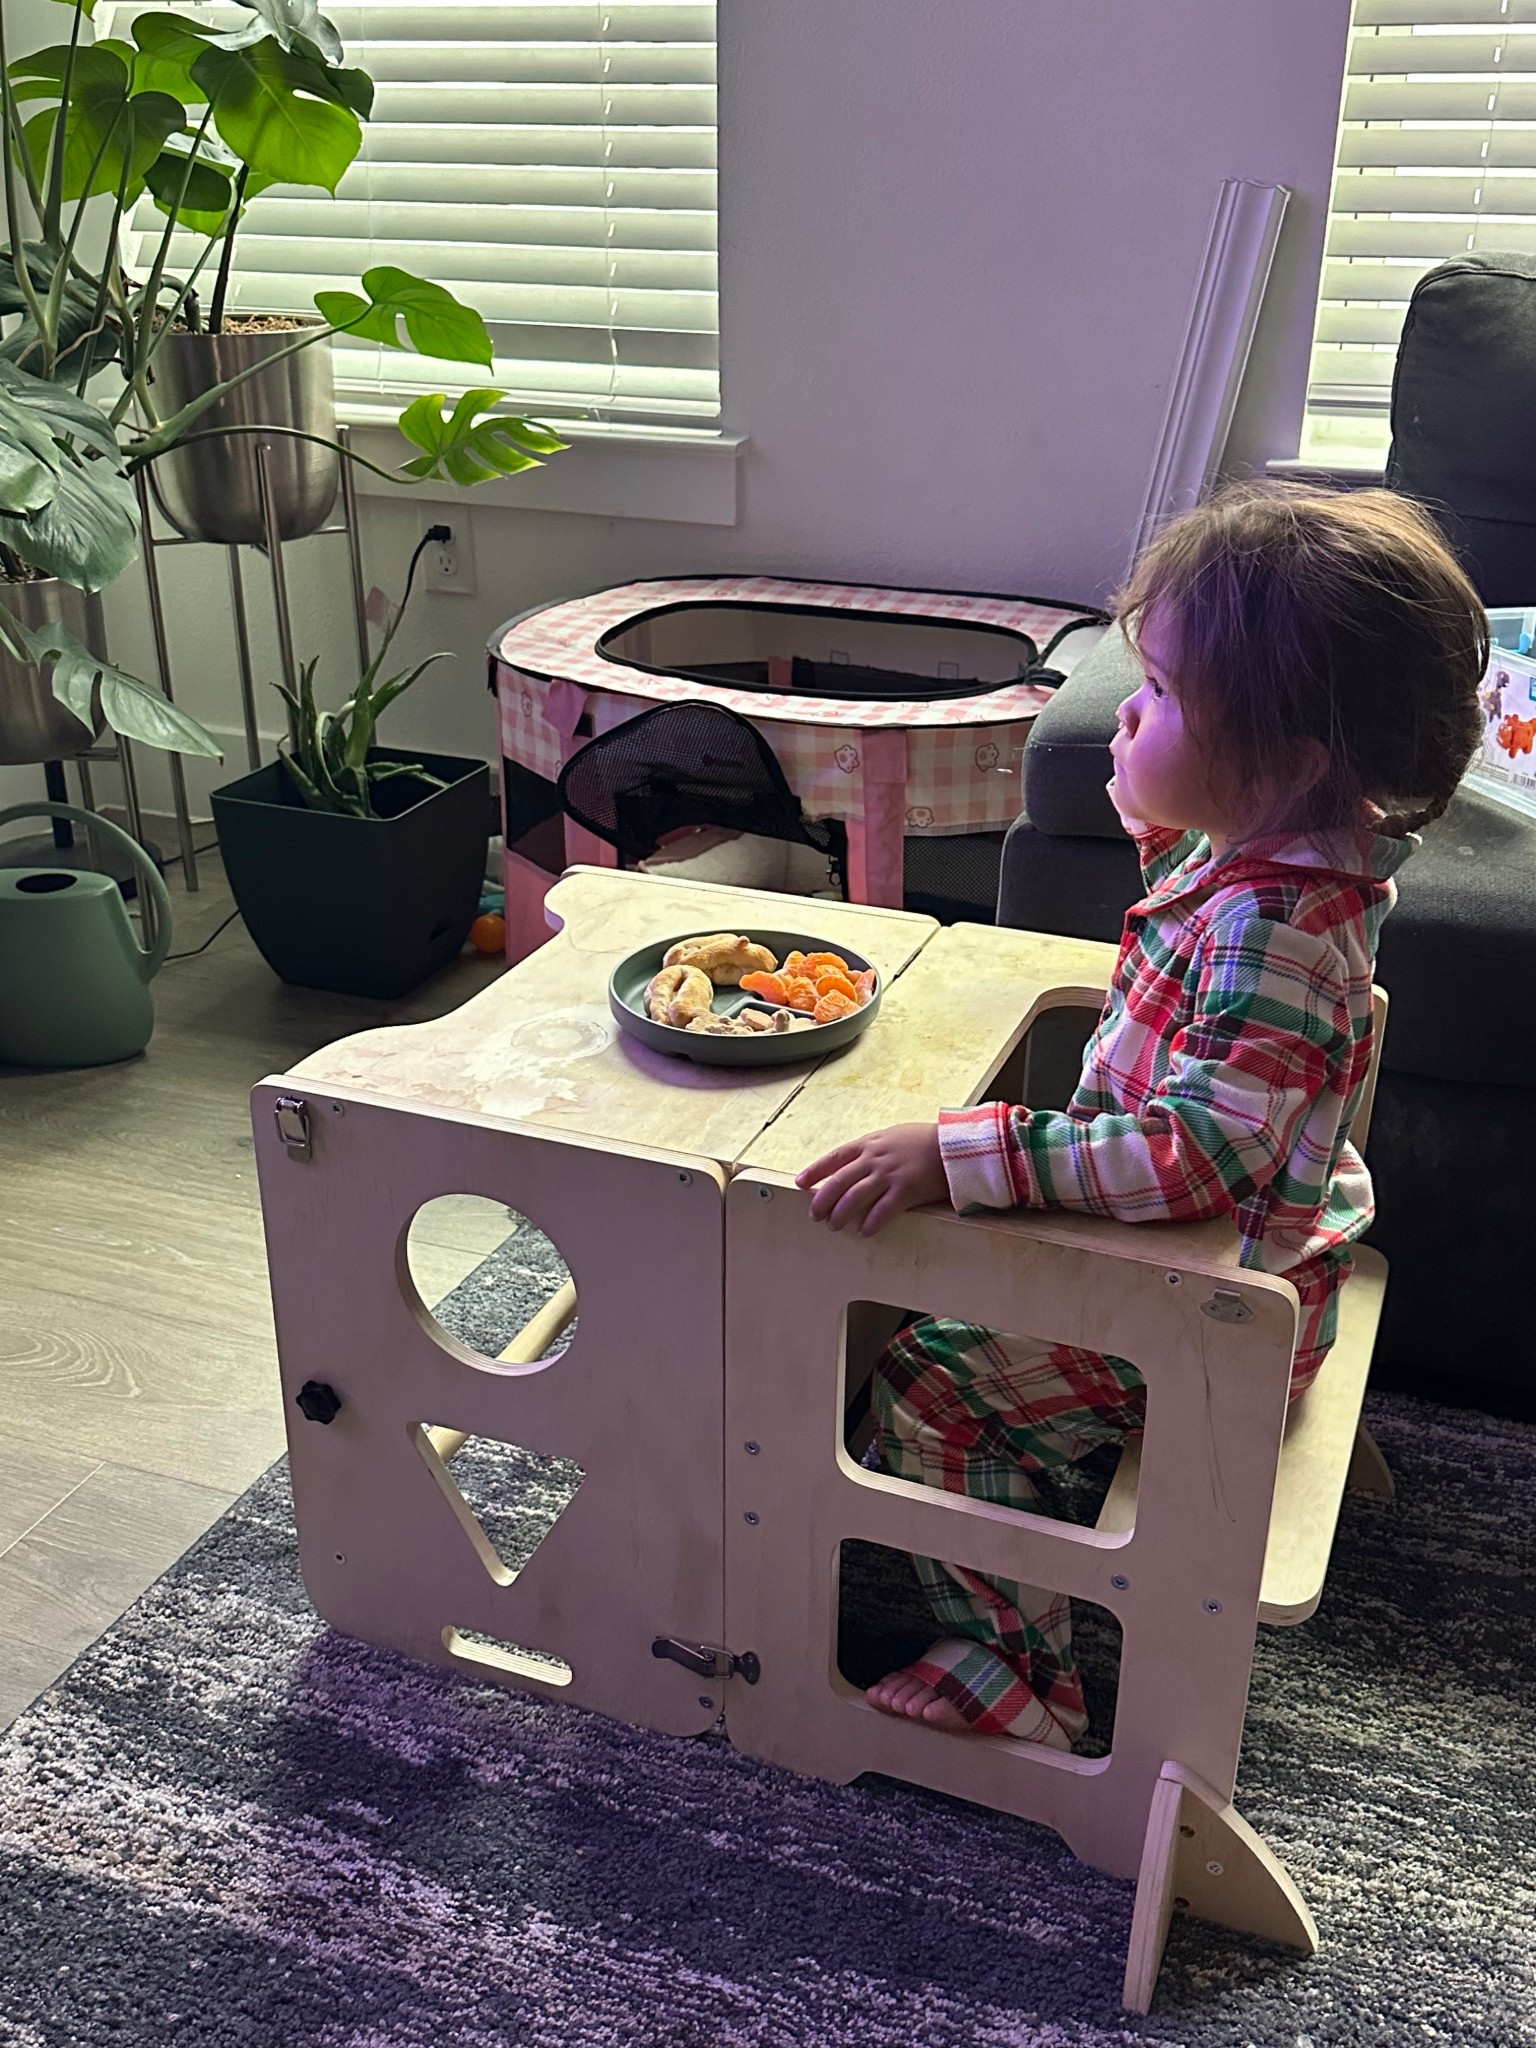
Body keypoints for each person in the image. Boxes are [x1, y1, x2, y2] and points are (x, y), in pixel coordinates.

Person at [797, 482, 1486, 1751]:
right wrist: (1166, 819)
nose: (1127, 708)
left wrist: (962, 1153)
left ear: (1282, 765)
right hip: (1234, 1270)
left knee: (921, 1386)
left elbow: (1193, 1154)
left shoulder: (1273, 925)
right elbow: (1211, 957)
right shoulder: (1282, 867)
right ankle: (1028, 1509)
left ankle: (1019, 1668)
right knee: (933, 1295)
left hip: (1210, 1318)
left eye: (1162, 695)